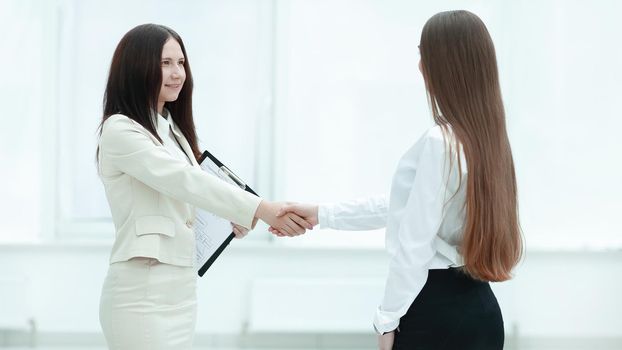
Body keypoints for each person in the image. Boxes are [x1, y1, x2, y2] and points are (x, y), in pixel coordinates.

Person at [271, 10, 523, 350]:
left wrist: (386, 319)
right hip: (481, 311)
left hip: (435, 315)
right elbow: (411, 207)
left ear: (444, 64)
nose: (420, 65)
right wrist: (322, 213)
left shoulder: (439, 142)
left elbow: (414, 248)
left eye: (423, 53)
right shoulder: (487, 140)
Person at [96, 24, 311, 350]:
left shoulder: (174, 133)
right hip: (141, 294)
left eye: (181, 62)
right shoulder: (120, 130)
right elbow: (185, 181)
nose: (177, 73)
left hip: (180, 291)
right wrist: (262, 209)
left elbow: (184, 201)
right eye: (165, 63)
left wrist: (227, 220)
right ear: (138, 66)